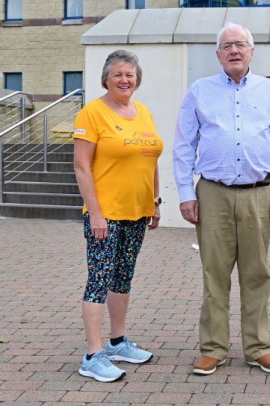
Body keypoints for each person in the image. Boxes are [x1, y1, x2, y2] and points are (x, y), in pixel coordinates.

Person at [173, 22, 270, 376]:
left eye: (240, 44)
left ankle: (258, 348)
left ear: (252, 52)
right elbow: (184, 146)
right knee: (215, 274)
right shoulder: (199, 91)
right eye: (227, 46)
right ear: (218, 55)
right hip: (213, 194)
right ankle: (213, 348)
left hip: (259, 194)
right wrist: (184, 193)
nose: (234, 51)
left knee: (257, 274)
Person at [73, 50, 163, 382]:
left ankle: (117, 341)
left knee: (123, 278)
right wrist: (95, 213)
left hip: (136, 212)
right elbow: (81, 167)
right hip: (105, 214)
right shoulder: (91, 114)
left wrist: (155, 201)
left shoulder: (143, 113)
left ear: (137, 79)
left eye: (130, 74)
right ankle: (93, 355)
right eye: (118, 75)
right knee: (99, 280)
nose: (125, 80)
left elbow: (150, 159)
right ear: (106, 79)